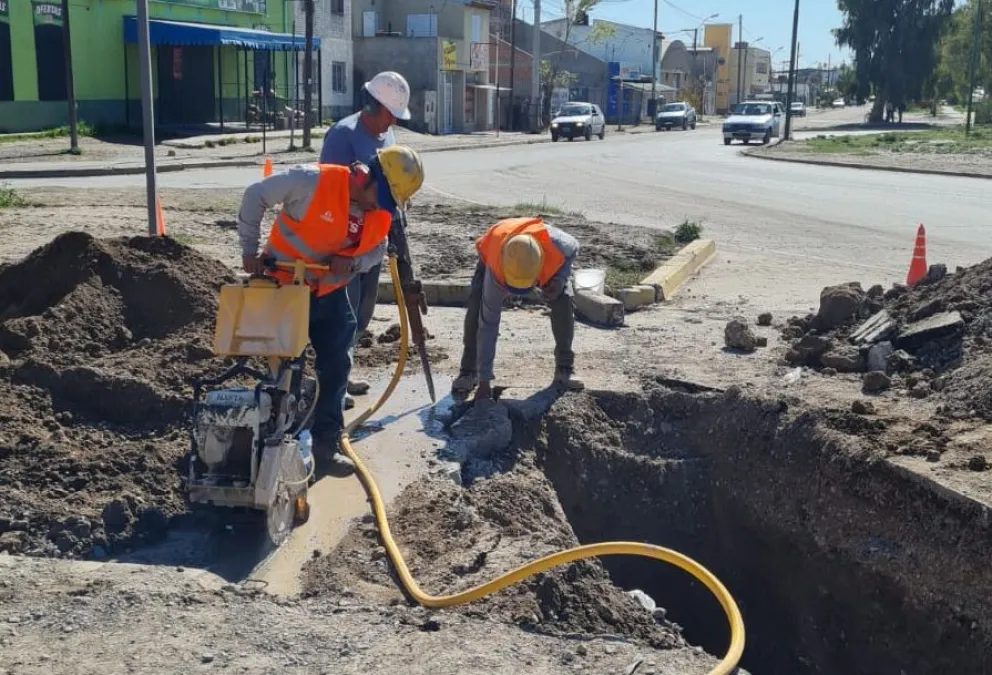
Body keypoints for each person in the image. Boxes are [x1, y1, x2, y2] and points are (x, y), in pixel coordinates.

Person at [236, 145, 425, 476]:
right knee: (284, 369)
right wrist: (249, 250)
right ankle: (276, 444)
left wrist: (353, 262)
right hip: (285, 285)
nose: (379, 208)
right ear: (366, 178)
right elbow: (255, 195)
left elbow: (378, 248)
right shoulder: (312, 181)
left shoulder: (379, 209)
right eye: (379, 199)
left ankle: (326, 443)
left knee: (338, 364)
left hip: (330, 291)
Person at [319, 71, 413, 409]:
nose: (393, 121)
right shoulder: (342, 137)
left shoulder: (387, 138)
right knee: (342, 316)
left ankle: (343, 371)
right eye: (392, 114)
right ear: (376, 106)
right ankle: (329, 385)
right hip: (344, 244)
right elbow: (328, 191)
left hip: (374, 241)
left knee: (363, 311)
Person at [452, 217, 585, 403]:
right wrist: (485, 382)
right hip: (498, 249)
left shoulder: (558, 244)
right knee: (477, 307)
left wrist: (560, 279)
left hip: (538, 253)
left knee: (563, 298)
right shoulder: (496, 269)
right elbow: (488, 324)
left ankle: (565, 369)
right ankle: (469, 372)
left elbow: (574, 248)